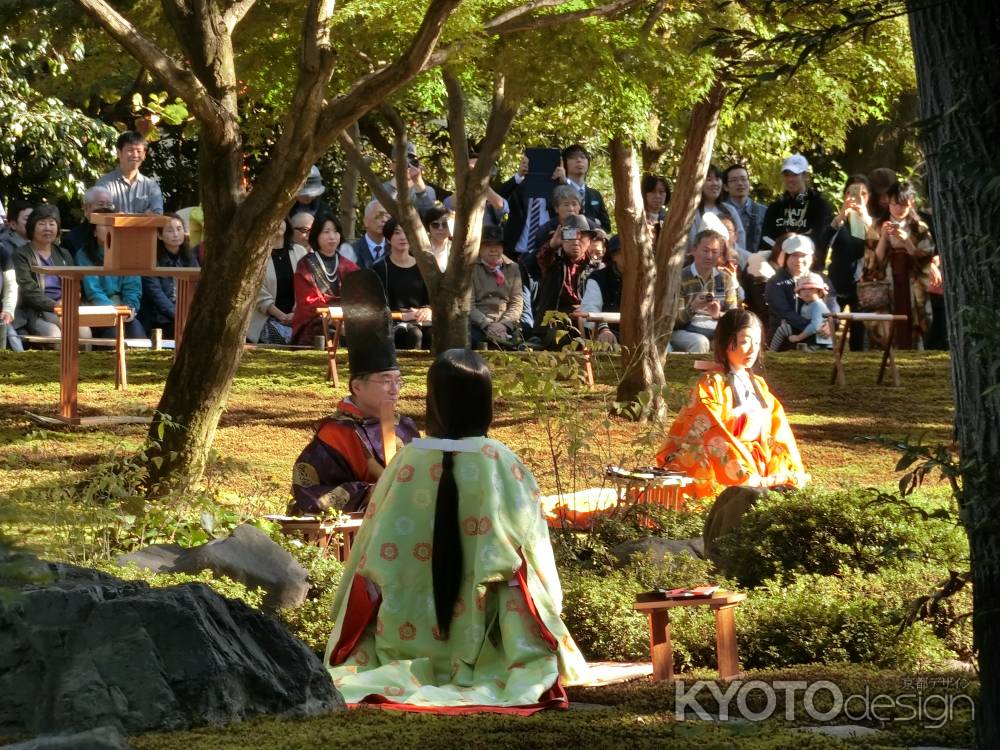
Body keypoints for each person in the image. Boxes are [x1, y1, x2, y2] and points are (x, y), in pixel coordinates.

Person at [325, 349, 587, 712]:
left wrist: (343, 608)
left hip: (402, 618)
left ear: (434, 400)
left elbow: (369, 539)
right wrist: (552, 605)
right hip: (486, 621)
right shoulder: (499, 461)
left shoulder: (406, 461)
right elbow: (531, 543)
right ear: (484, 402)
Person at [290, 270, 419, 515]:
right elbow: (308, 491)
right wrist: (370, 492)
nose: (394, 389)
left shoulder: (405, 426)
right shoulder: (336, 434)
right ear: (357, 386)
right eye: (385, 381)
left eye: (398, 381)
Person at [657, 309, 808, 500]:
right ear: (725, 341)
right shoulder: (711, 384)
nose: (752, 350)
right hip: (727, 467)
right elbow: (710, 431)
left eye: (756, 342)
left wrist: (779, 470)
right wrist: (741, 471)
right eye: (744, 342)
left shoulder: (758, 385)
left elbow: (778, 432)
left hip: (758, 464)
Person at [866, 180, 935, 349]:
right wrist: (883, 238)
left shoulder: (920, 228)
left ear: (911, 203)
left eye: (903, 204)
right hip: (887, 278)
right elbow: (871, 263)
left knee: (911, 316)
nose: (898, 208)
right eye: (894, 204)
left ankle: (913, 349)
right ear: (888, 203)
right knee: (887, 319)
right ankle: (887, 352)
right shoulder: (876, 226)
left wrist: (907, 242)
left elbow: (926, 258)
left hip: (911, 279)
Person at [13, 205, 91, 341]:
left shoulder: (63, 254)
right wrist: (55, 305)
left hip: (65, 308)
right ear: (32, 227)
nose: (47, 228)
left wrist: (69, 300)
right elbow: (27, 290)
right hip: (36, 311)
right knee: (54, 334)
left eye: (52, 223)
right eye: (42, 223)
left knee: (84, 332)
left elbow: (75, 284)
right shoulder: (22, 254)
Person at [75, 208, 146, 338]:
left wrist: (129, 308)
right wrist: (114, 312)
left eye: (113, 224)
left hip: (123, 310)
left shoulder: (128, 254)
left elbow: (133, 287)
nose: (110, 228)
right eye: (105, 224)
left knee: (137, 334)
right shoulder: (84, 255)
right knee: (115, 335)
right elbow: (93, 291)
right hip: (98, 310)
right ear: (94, 232)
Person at [822, 175, 874, 351]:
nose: (858, 197)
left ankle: (858, 363)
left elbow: (877, 244)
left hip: (862, 283)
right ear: (845, 195)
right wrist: (841, 216)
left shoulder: (873, 221)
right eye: (852, 193)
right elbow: (822, 242)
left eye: (863, 194)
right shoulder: (838, 221)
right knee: (830, 326)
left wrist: (865, 218)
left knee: (859, 332)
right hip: (836, 282)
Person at [289, 213, 358, 345]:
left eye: (336, 231)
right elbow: (307, 301)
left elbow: (358, 297)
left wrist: (344, 316)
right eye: (326, 232)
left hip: (346, 320)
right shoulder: (305, 265)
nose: (332, 236)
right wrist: (331, 316)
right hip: (314, 323)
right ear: (317, 234)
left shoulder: (349, 266)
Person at [532, 214, 599, 346]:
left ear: (589, 241)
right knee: (557, 339)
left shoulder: (596, 268)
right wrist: (552, 245)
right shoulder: (552, 261)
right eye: (570, 235)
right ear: (562, 239)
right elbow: (537, 260)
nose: (576, 242)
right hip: (555, 319)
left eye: (582, 237)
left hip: (587, 319)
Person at [669, 230, 740, 353]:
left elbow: (734, 316)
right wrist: (693, 308)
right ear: (694, 250)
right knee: (700, 342)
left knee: (728, 341)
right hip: (683, 331)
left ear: (720, 254)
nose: (709, 256)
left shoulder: (725, 279)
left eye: (715, 252)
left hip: (715, 328)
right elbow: (672, 322)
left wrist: (717, 315)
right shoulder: (679, 278)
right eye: (705, 251)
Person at [759, 154, 833, 269]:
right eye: (786, 175)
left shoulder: (820, 206)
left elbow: (820, 241)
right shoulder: (775, 207)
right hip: (777, 269)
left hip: (808, 268)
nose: (790, 179)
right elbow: (765, 241)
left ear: (806, 176)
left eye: (795, 174)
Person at [764, 234, 838, 349]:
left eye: (804, 255)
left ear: (812, 257)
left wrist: (831, 324)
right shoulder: (775, 283)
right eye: (794, 255)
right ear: (786, 257)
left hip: (819, 338)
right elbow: (785, 312)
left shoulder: (821, 279)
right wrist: (814, 327)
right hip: (786, 341)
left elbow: (832, 305)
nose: (799, 260)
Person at [371, 217, 432, 350]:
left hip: (422, 321)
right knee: (414, 334)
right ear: (388, 239)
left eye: (406, 232)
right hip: (394, 322)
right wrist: (403, 316)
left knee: (434, 335)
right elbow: (375, 307)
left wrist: (428, 310)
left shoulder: (423, 266)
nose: (403, 237)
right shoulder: (380, 268)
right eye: (397, 233)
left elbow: (432, 300)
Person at [246, 218, 308, 344]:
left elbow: (306, 286)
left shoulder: (300, 251)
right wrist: (283, 317)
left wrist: (295, 313)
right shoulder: (256, 256)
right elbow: (259, 294)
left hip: (297, 316)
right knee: (285, 339)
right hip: (266, 319)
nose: (278, 223)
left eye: (281, 218)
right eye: (272, 220)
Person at [141, 212, 198, 339]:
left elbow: (196, 286)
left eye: (179, 229)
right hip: (161, 318)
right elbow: (156, 295)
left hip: (185, 313)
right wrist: (180, 315)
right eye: (170, 231)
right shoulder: (151, 259)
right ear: (159, 235)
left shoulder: (190, 258)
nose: (176, 234)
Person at [469, 223, 523, 349]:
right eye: (488, 245)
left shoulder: (512, 267)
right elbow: (468, 305)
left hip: (506, 323)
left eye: (497, 245)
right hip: (478, 323)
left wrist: (504, 324)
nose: (493, 250)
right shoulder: (471, 268)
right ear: (479, 248)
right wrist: (487, 325)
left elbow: (516, 302)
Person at [95, 131, 164, 214]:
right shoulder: (104, 184)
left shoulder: (151, 186)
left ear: (144, 155)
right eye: (130, 150)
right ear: (119, 153)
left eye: (139, 151)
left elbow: (158, 214)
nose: (135, 155)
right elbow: (101, 214)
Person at [688, 165, 746, 258]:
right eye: (709, 179)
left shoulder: (730, 210)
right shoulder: (692, 212)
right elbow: (692, 242)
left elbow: (740, 239)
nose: (715, 183)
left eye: (717, 179)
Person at [556, 144, 612, 233]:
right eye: (572, 157)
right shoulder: (558, 191)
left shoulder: (595, 194)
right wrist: (595, 221)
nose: (579, 160)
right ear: (563, 163)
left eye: (583, 157)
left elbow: (606, 226)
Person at [769, 272, 831, 351]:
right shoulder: (806, 304)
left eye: (811, 288)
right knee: (784, 328)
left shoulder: (818, 305)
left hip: (819, 341)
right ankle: (771, 351)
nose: (807, 291)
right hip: (809, 337)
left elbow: (815, 326)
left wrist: (798, 337)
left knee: (802, 350)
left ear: (819, 292)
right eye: (803, 289)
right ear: (799, 292)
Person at [580, 235, 623, 344]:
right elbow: (590, 309)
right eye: (623, 252)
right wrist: (603, 328)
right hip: (609, 333)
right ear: (614, 256)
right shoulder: (598, 278)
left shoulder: (646, 277)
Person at [723, 164, 766, 264]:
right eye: (734, 180)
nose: (740, 183)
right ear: (725, 187)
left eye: (743, 179)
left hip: (758, 265)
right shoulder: (721, 211)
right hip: (728, 264)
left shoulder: (764, 211)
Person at [62, 186, 116, 256]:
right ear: (86, 207)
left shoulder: (118, 234)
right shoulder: (71, 240)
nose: (105, 208)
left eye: (109, 205)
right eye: (100, 204)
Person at [341, 200, 390, 269]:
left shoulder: (394, 250)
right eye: (379, 215)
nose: (384, 220)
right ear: (365, 221)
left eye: (387, 216)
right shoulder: (352, 251)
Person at [0, 238, 21, 351]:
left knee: (16, 346)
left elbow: (11, 285)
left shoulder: (2, 252)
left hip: (1, 316)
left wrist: (8, 309)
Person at [421, 205, 452, 272]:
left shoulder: (457, 248)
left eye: (445, 224)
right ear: (428, 227)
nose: (440, 228)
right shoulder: (420, 248)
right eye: (435, 224)